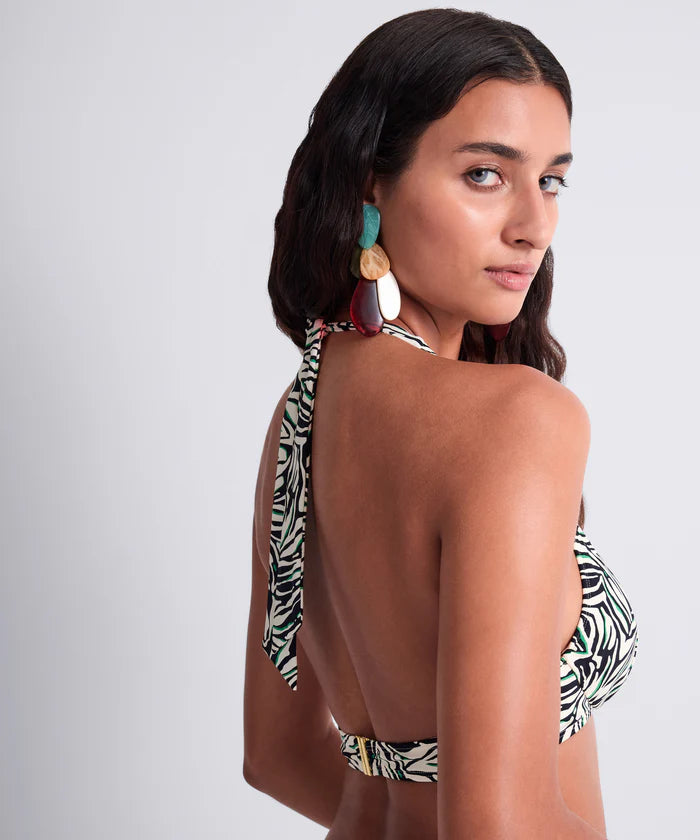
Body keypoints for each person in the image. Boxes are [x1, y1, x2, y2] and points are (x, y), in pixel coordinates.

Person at [242, 9, 639, 839]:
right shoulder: (518, 421)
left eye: (552, 180)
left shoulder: (302, 412)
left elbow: (276, 756)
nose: (535, 224)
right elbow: (496, 826)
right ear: (371, 183)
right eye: (485, 174)